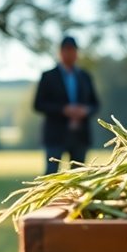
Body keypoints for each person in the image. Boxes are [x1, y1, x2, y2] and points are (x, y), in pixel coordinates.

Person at [33, 35, 100, 175]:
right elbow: (38, 104)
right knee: (51, 177)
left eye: (72, 50)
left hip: (80, 135)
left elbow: (95, 104)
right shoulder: (48, 76)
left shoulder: (85, 77)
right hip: (55, 135)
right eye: (66, 50)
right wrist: (63, 110)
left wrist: (85, 111)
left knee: (78, 179)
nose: (69, 53)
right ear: (60, 52)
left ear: (77, 53)